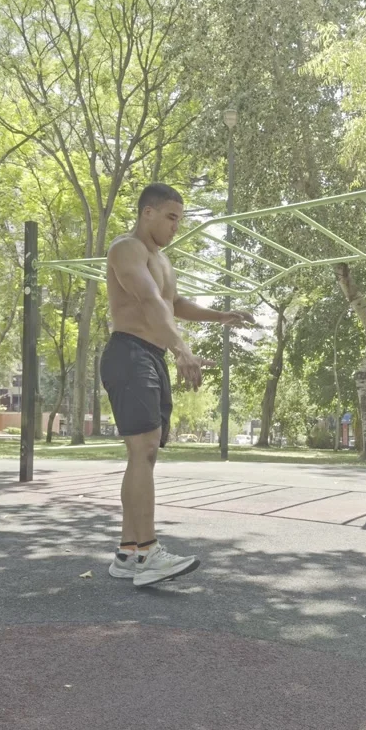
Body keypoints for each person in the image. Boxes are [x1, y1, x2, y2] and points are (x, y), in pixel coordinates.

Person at [101, 182, 254, 587]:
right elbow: (149, 301)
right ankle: (148, 552)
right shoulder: (127, 249)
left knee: (145, 455)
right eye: (171, 217)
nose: (175, 227)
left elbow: (173, 304)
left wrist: (221, 315)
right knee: (144, 448)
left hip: (149, 356)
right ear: (146, 212)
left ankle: (128, 552)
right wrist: (182, 350)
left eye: (179, 220)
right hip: (129, 352)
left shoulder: (162, 259)